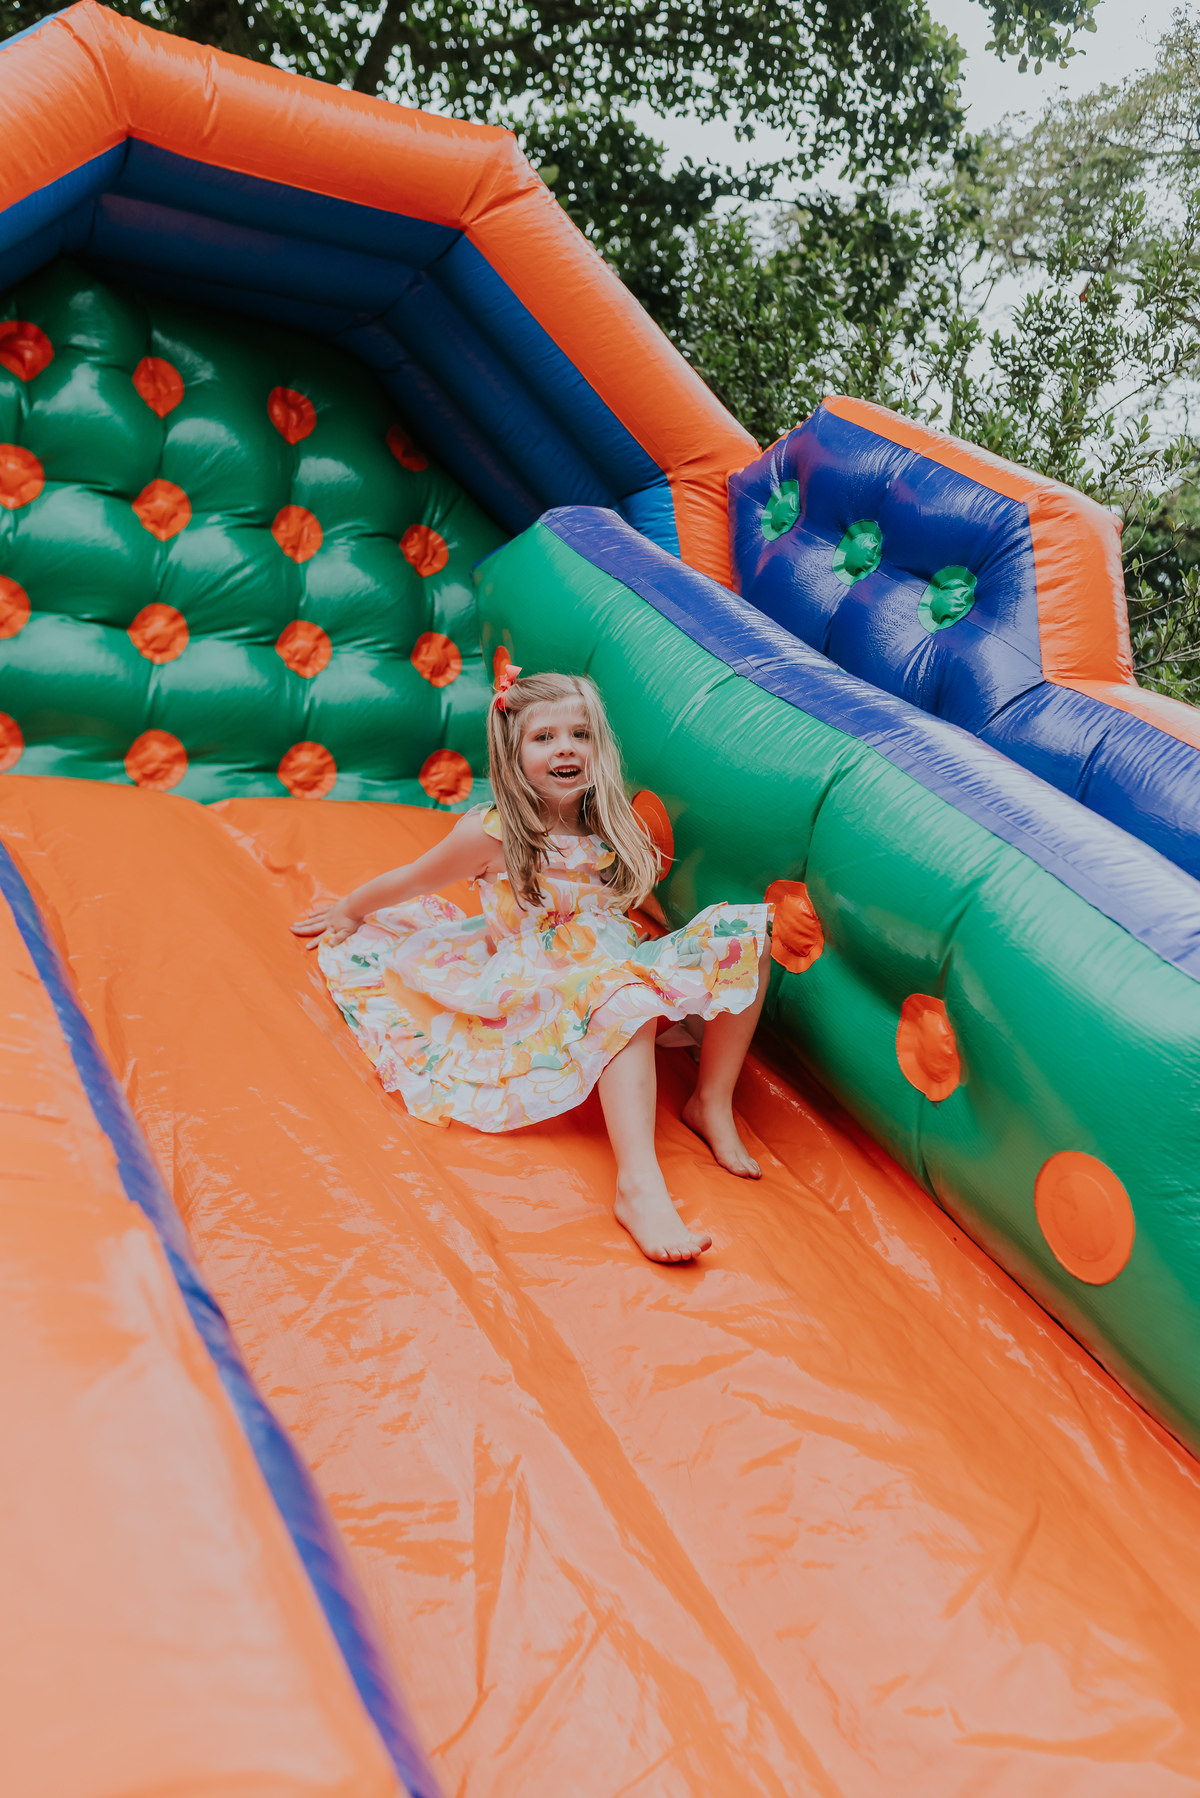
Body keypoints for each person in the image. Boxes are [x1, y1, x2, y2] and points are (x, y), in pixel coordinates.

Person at [291, 668, 772, 1264]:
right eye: (545, 737)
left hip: (611, 963)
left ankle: (711, 1101)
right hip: (536, 985)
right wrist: (350, 909)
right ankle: (639, 1186)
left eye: (580, 734)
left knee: (749, 936)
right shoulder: (492, 834)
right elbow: (414, 878)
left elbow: (616, 918)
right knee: (621, 996)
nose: (566, 748)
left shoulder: (609, 821)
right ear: (512, 753)